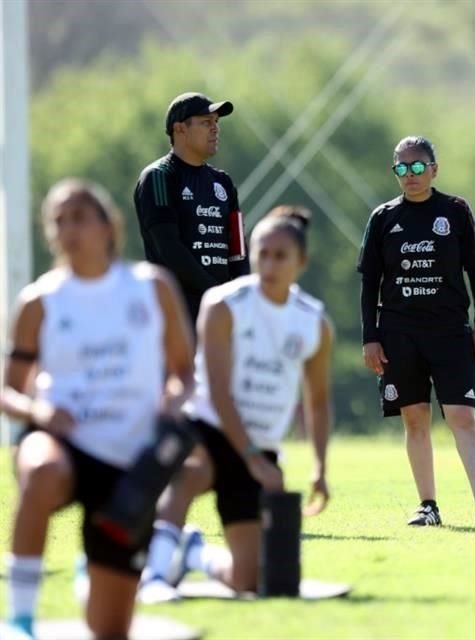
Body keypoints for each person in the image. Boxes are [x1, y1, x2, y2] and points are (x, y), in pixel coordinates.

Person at [1, 179, 194, 639]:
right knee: (42, 470)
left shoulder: (152, 287)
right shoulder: (39, 300)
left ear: (110, 226)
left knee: (108, 631)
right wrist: (41, 414)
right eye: (58, 220)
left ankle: (93, 573)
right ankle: (21, 617)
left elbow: (184, 371)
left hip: (131, 463)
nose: (68, 229)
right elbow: (8, 392)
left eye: (80, 217)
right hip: (61, 442)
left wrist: (173, 400)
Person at [138, 206, 334, 601]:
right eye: (262, 253)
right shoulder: (223, 304)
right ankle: (152, 577)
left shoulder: (314, 322)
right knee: (190, 471)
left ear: (301, 263)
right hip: (208, 427)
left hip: (259, 446)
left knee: (249, 581)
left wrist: (319, 467)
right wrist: (252, 458)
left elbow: (317, 400)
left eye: (280, 256)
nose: (269, 264)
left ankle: (193, 554)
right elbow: (218, 389)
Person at [357, 135, 475, 528]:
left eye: (418, 166)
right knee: (415, 418)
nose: (410, 175)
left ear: (434, 169)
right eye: (402, 168)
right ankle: (428, 506)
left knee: (461, 416)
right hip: (400, 334)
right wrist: (371, 336)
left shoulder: (455, 211)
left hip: (451, 331)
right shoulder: (383, 218)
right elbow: (370, 283)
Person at [134, 91, 250, 325]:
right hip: (178, 315)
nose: (215, 129)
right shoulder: (159, 177)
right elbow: (169, 249)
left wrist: (244, 297)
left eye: (216, 123)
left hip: (225, 312)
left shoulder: (223, 182)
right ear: (180, 129)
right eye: (206, 123)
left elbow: (238, 249)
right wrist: (216, 295)